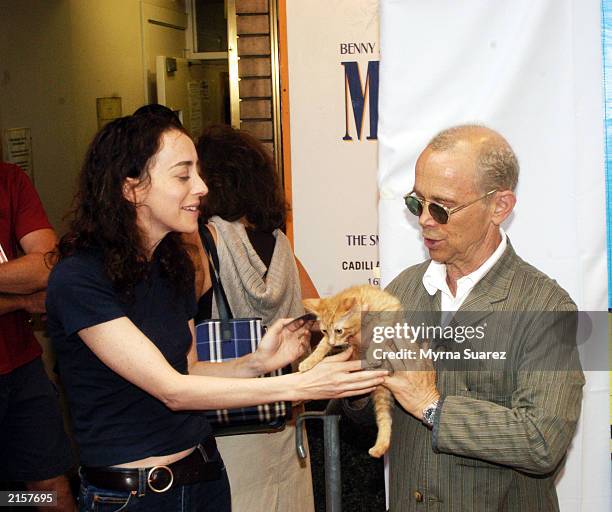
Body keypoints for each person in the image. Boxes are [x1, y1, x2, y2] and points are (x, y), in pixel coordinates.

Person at [45, 113, 387, 512]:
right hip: (134, 496)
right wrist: (302, 387)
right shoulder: (78, 280)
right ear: (132, 188)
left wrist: (255, 363)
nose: (201, 188)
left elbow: (186, 368)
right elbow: (171, 390)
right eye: (183, 175)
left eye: (199, 174)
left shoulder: (169, 264)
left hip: (205, 476)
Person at [342, 124, 584, 511]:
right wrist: (357, 378)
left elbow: (541, 441)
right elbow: (365, 420)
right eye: (415, 202)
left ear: (499, 207)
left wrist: (432, 405)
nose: (424, 220)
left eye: (441, 207)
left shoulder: (545, 307)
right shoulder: (400, 292)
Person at [192, 124, 316, 512]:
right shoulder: (282, 247)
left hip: (226, 429)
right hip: (285, 423)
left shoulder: (200, 246)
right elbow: (314, 318)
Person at [0, 160, 76, 511]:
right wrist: (22, 299)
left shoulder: (9, 179)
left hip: (21, 370)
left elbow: (46, 263)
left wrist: (23, 294)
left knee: (48, 487)